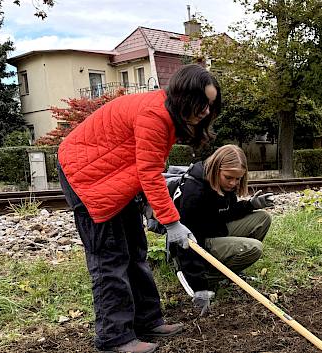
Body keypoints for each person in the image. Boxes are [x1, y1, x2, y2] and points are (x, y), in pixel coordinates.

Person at [57, 64, 220, 353]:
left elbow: (143, 165)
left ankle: (147, 320)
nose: (207, 111)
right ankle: (114, 337)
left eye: (211, 103)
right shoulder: (155, 115)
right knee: (111, 260)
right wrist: (172, 223)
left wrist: (149, 204)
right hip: (86, 177)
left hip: (115, 179)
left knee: (136, 252)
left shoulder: (166, 114)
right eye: (202, 103)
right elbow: (150, 172)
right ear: (184, 97)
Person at [172, 144, 274, 314]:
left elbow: (226, 212)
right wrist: (198, 287)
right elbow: (186, 242)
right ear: (215, 169)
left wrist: (251, 205)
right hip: (198, 243)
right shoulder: (194, 192)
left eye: (238, 179)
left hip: (214, 229)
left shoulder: (222, 184)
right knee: (254, 249)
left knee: (262, 219)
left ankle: (230, 270)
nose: (234, 183)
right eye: (229, 178)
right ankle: (210, 277)